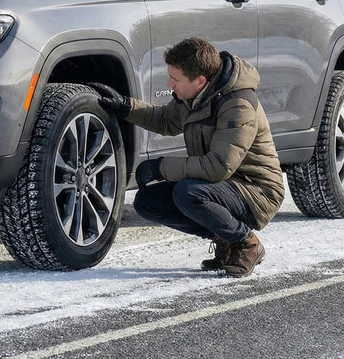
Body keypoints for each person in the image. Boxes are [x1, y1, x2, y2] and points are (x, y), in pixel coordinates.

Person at [89, 38, 284, 277]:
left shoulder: (238, 105)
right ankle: (226, 240)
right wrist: (125, 106)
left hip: (257, 191)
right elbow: (165, 120)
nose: (170, 84)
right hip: (226, 185)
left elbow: (217, 167)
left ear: (200, 80)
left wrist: (161, 168)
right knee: (147, 201)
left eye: (176, 79)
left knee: (189, 193)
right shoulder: (197, 95)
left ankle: (246, 244)